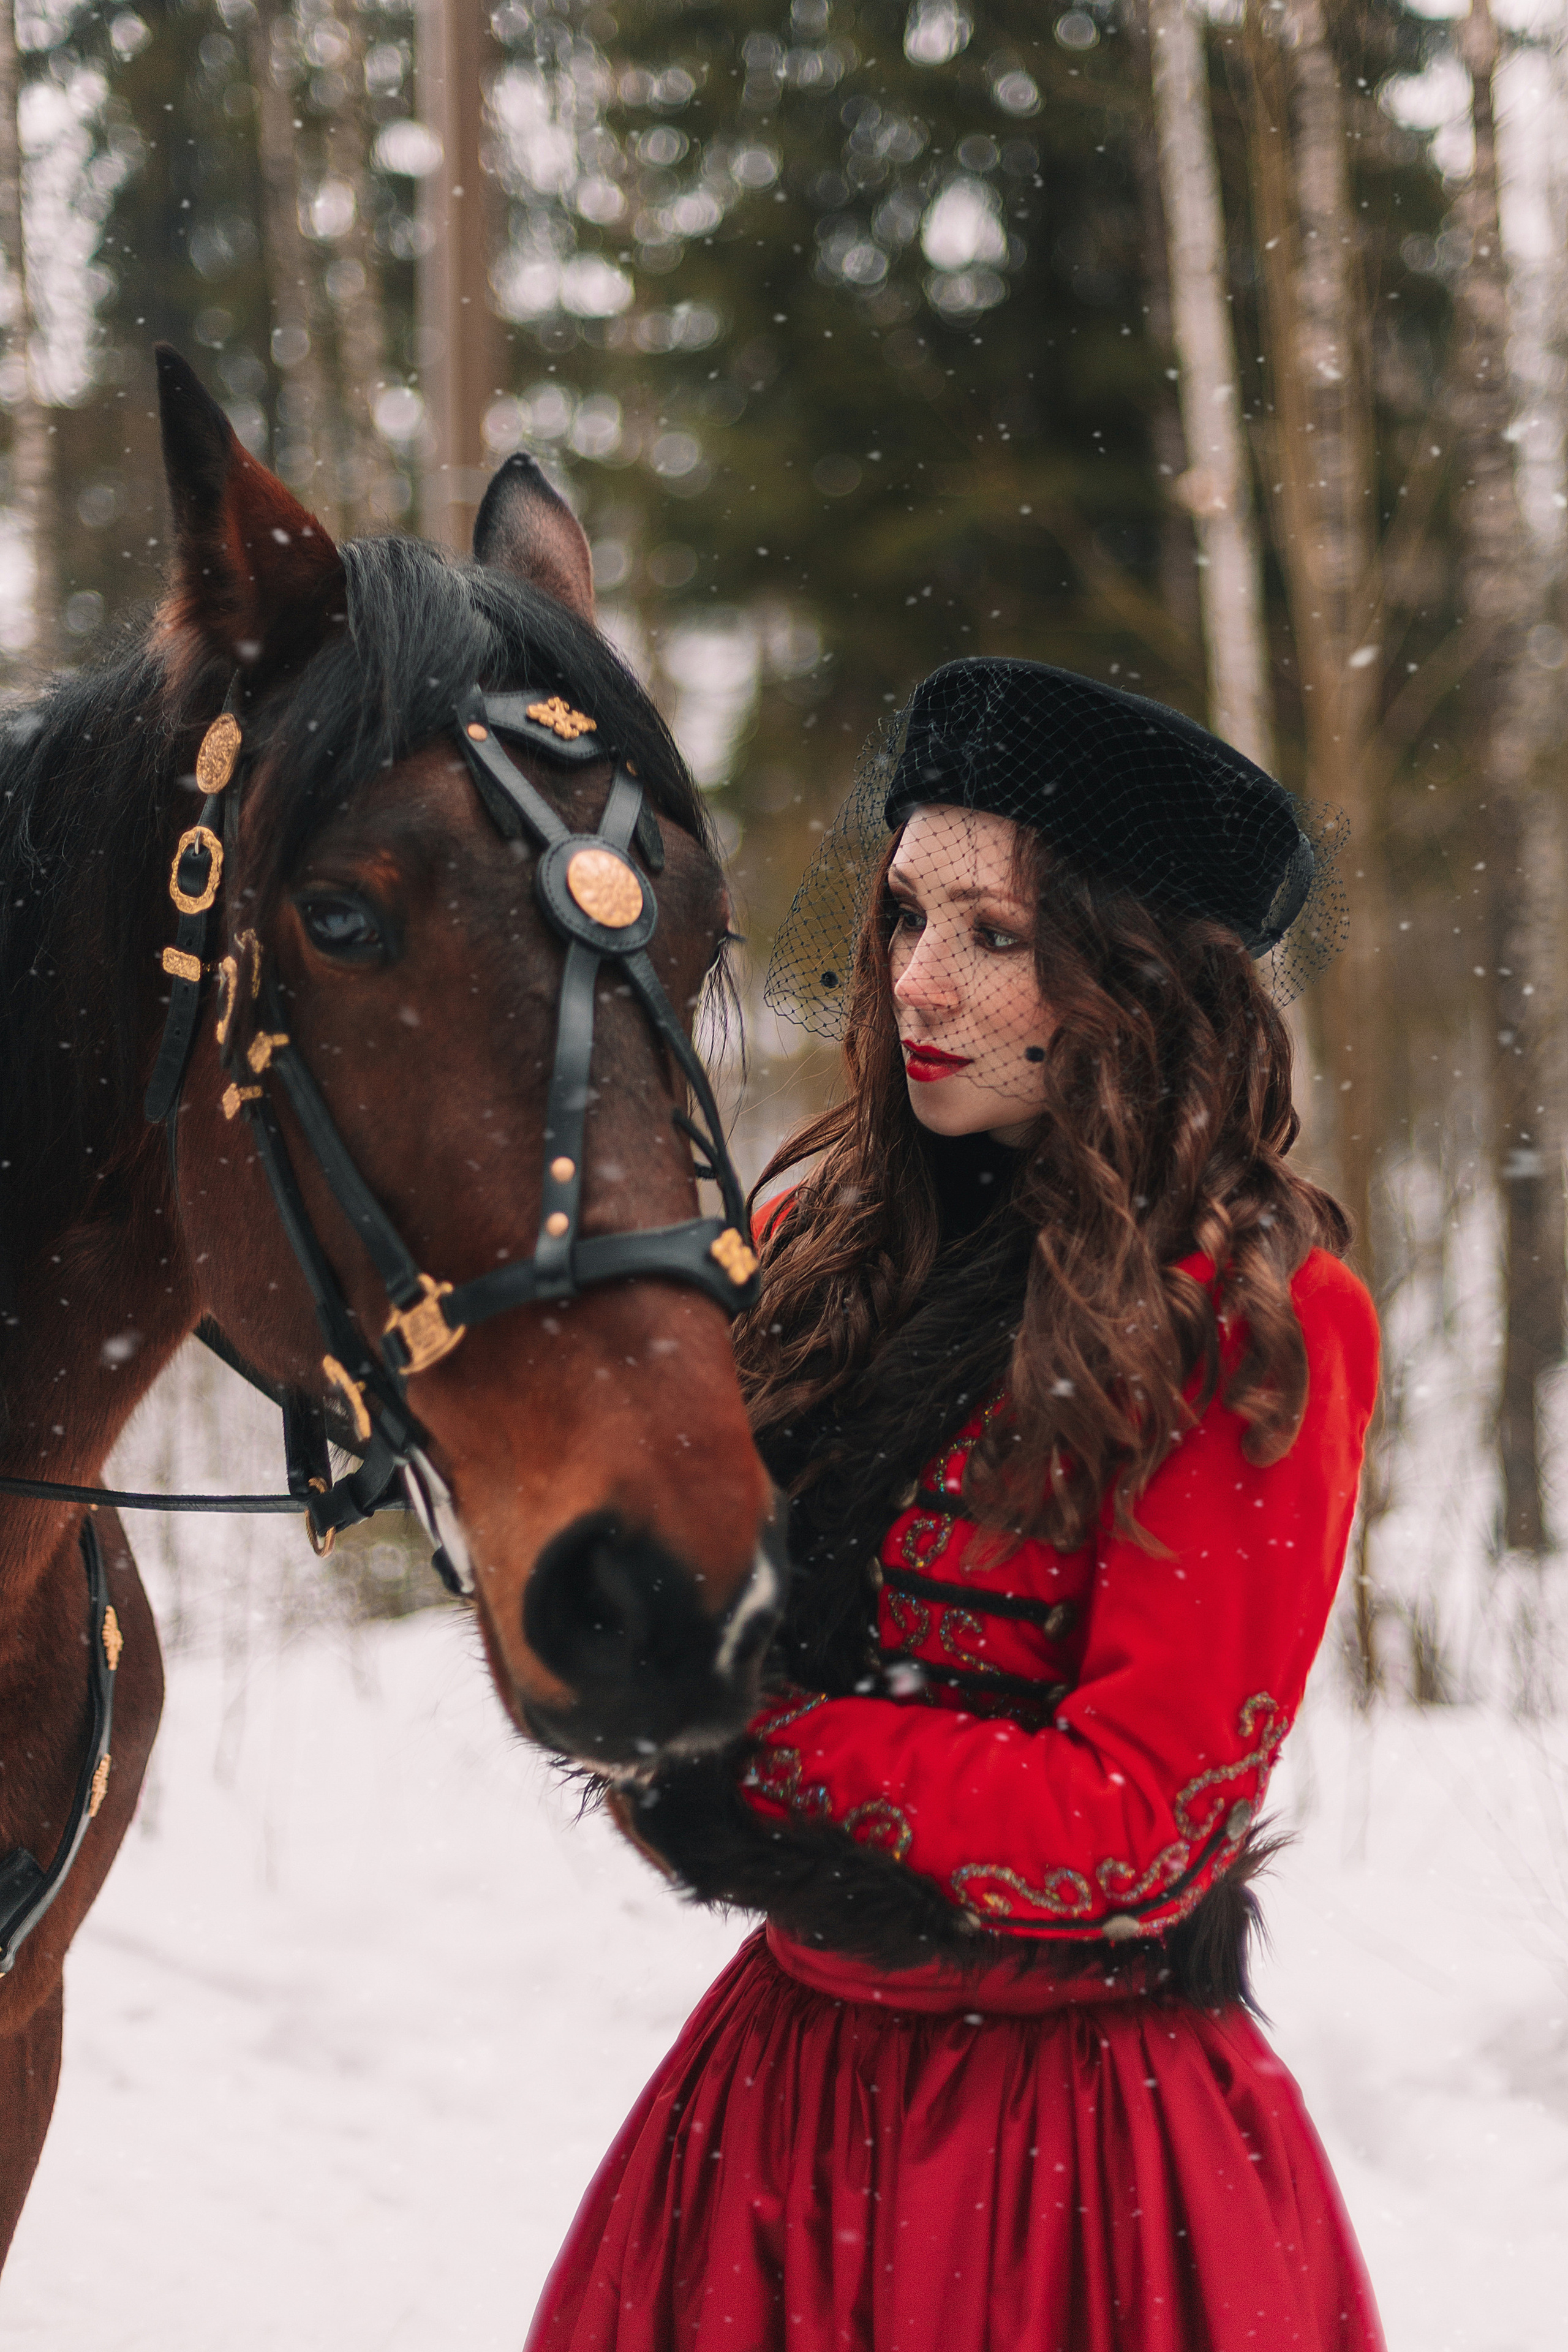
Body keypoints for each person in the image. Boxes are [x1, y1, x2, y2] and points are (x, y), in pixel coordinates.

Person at [526, 658, 1384, 2352]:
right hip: (775, 2115)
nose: (917, 978)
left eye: (998, 936)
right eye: (909, 913)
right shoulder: (819, 1250)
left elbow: (1141, 1819)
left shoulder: (1250, 1320)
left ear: (1141, 977)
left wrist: (746, 1749)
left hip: (1076, 2171)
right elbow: (660, 1631)